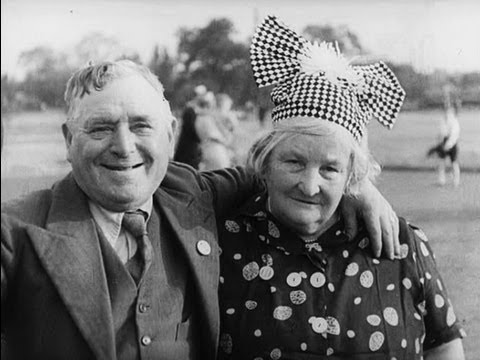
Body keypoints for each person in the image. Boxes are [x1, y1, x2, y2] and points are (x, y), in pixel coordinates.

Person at [1, 59, 399, 359]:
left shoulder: (190, 192)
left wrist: (356, 184)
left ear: (171, 135)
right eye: (101, 127)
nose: (123, 147)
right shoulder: (15, 231)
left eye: (141, 126)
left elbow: (271, 172)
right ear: (69, 139)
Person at [218, 15, 465, 359]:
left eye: (330, 168)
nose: (309, 184)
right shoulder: (221, 244)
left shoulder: (400, 242)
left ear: (353, 174)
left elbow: (445, 344)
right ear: (265, 160)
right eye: (294, 162)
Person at [427, 86, 461, 187]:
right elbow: (441, 132)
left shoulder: (453, 120)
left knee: (454, 162)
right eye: (445, 108)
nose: (446, 110)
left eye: (448, 108)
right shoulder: (443, 119)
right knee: (441, 162)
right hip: (444, 141)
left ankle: (456, 181)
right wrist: (440, 141)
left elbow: (455, 133)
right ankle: (441, 180)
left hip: (452, 142)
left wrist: (449, 144)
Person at [173, 85, 206, 168]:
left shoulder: (193, 109)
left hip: (191, 146)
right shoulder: (190, 110)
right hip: (188, 147)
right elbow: (191, 129)